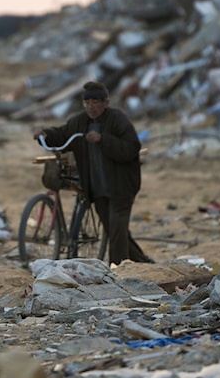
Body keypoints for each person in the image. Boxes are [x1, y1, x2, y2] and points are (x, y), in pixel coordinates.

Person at [32, 81, 154, 265]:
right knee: (115, 231)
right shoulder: (80, 122)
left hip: (121, 187)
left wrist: (103, 140)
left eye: (95, 102)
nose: (91, 106)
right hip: (98, 189)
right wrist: (45, 134)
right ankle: (142, 261)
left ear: (106, 103)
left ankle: (117, 269)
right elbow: (62, 133)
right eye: (87, 102)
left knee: (116, 228)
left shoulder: (117, 119)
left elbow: (131, 147)